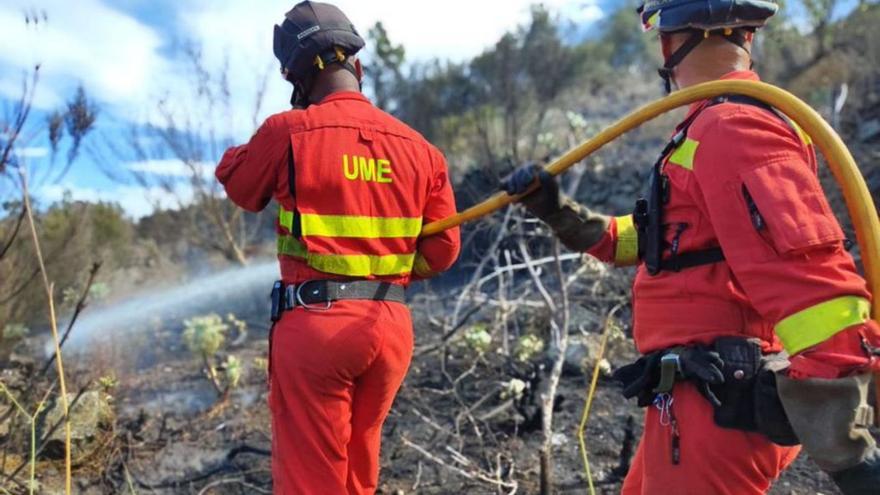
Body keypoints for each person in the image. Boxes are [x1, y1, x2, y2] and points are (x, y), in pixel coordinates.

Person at [503, 1, 880, 494]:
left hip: (716, 405)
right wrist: (559, 212)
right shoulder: (707, 127)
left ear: (675, 39)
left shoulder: (733, 128)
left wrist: (848, 453)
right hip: (690, 398)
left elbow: (814, 284)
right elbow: (672, 243)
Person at [215, 2, 460, 493]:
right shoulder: (421, 149)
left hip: (317, 328)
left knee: (312, 478)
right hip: (389, 329)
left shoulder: (288, 131)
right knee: (357, 470)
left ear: (296, 80)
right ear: (359, 67)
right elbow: (443, 251)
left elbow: (240, 185)